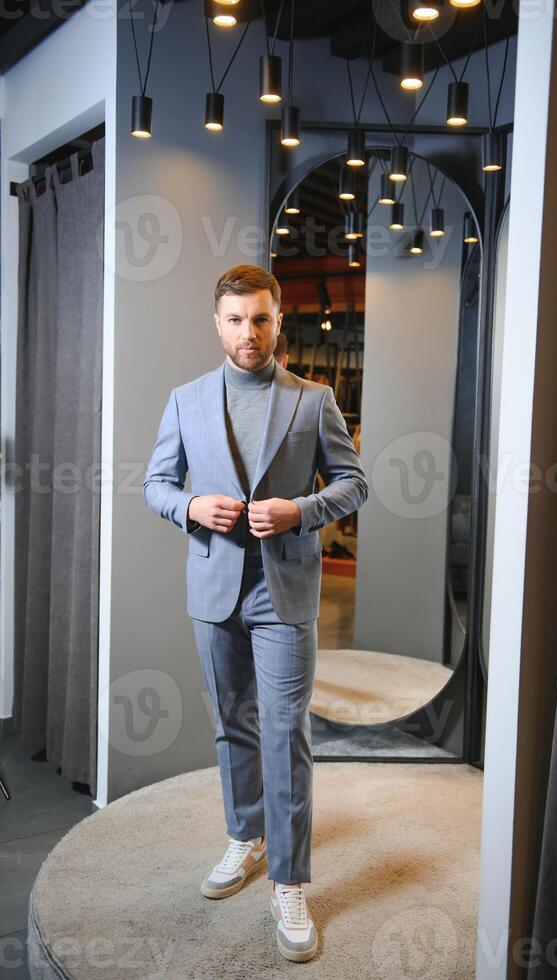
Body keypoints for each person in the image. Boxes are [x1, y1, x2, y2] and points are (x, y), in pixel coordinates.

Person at [143, 264, 368, 963]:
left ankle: (290, 879)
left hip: (285, 594)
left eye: (261, 319)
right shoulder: (184, 400)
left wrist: (302, 510)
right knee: (231, 727)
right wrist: (189, 508)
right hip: (214, 593)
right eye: (236, 320)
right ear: (218, 324)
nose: (249, 332)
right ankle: (246, 837)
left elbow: (355, 483)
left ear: (279, 322)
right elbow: (155, 482)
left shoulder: (313, 399)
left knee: (285, 734)